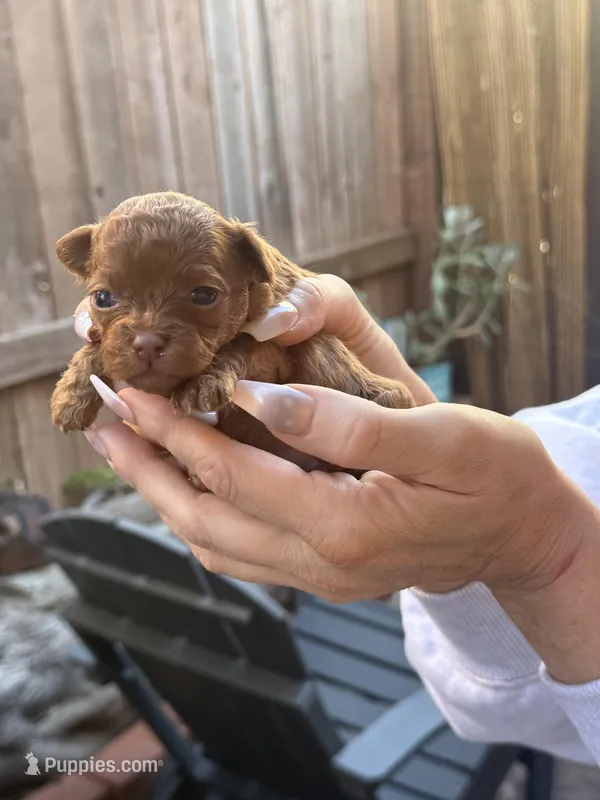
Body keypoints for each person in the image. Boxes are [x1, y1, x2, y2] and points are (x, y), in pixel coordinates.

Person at [74, 275, 600, 766]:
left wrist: (550, 556)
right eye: (107, 298)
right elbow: (517, 705)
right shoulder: (571, 431)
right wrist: (465, 557)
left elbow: (509, 713)